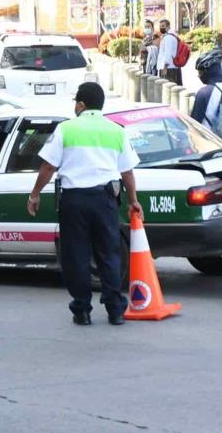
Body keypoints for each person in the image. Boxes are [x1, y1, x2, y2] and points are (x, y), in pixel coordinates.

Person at [27, 82, 143, 326]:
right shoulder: (116, 130)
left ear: (81, 104)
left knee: (76, 255)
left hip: (74, 201)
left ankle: (82, 310)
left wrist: (35, 194)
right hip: (105, 200)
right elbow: (128, 172)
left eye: (75, 104)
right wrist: (133, 201)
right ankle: (115, 311)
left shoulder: (66, 129)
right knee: (109, 253)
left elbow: (49, 166)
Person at [190, 50, 222, 144]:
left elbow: (194, 123)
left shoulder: (204, 93)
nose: (199, 76)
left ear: (208, 71)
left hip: (209, 144)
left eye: (200, 72)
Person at [157, 19, 182, 85]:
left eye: (163, 26)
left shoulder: (169, 38)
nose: (161, 28)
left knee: (168, 89)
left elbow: (169, 53)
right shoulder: (169, 36)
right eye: (160, 26)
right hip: (171, 67)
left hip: (168, 68)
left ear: (168, 27)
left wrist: (165, 67)